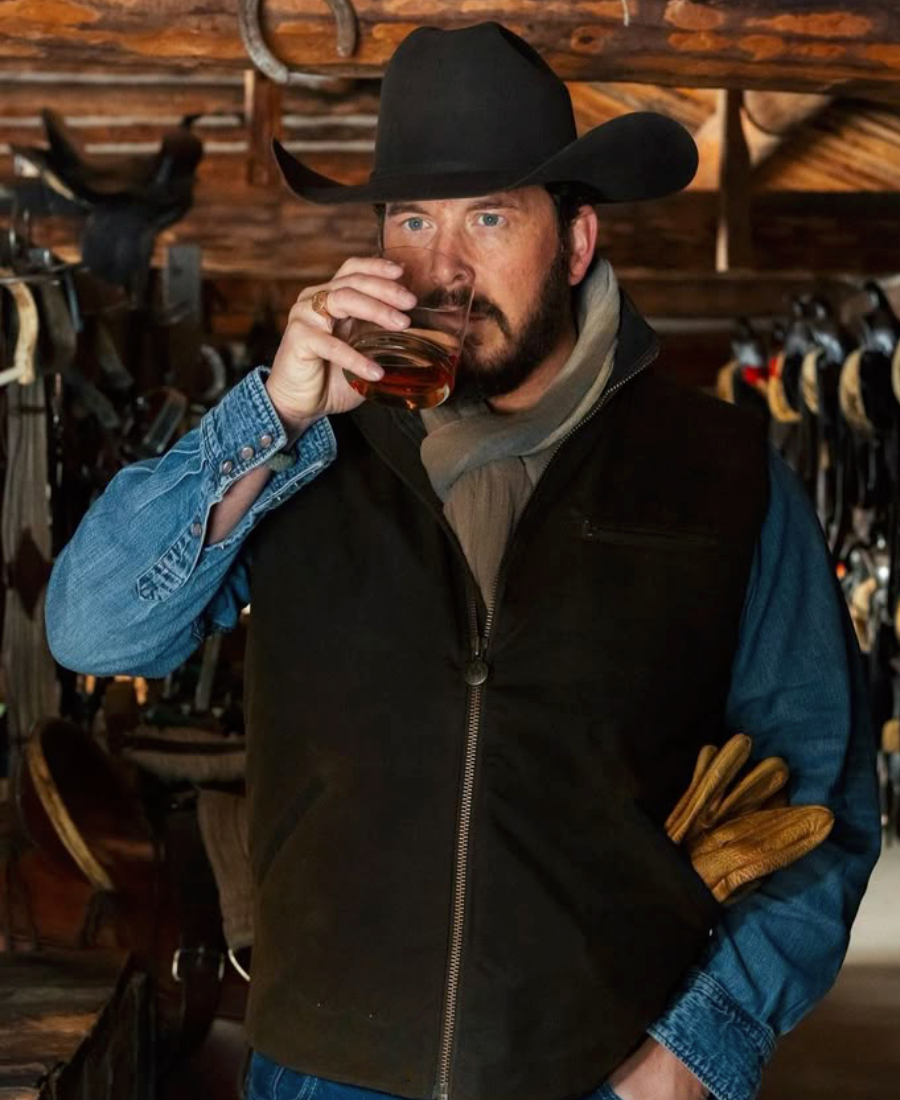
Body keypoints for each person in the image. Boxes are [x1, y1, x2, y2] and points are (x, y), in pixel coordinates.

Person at [46, 21, 880, 1100]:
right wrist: (270, 416)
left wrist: (692, 1054)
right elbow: (92, 627)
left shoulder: (724, 470)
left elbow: (823, 787)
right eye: (412, 219)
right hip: (324, 1074)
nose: (442, 267)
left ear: (574, 242)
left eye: (488, 216)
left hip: (597, 1074)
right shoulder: (301, 448)